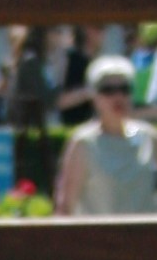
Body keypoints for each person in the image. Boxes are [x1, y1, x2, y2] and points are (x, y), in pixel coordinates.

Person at [55, 51, 156, 217]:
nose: (118, 97)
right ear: (94, 96)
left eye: (125, 89)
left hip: (145, 240)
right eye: (108, 90)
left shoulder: (149, 137)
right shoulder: (83, 142)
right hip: (98, 241)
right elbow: (65, 207)